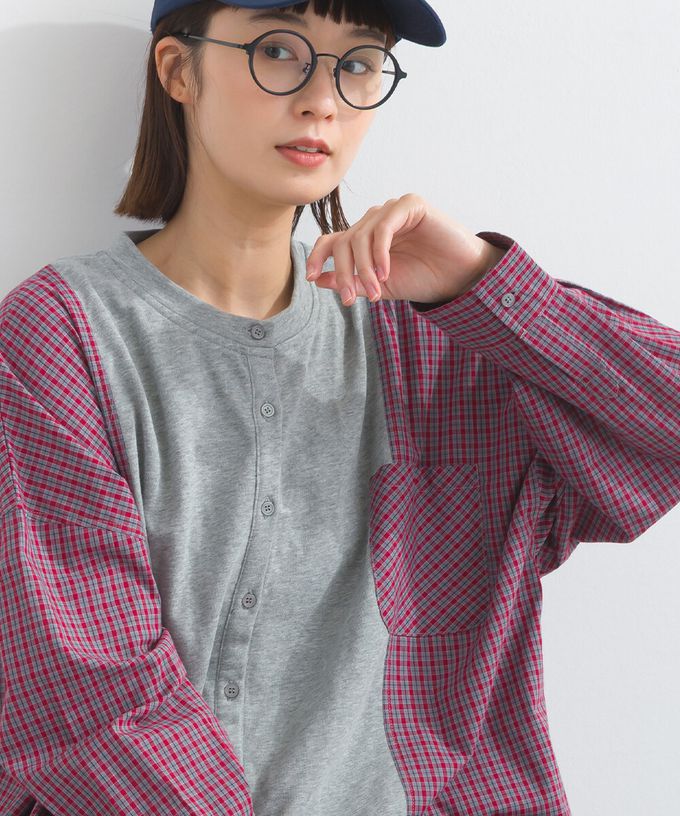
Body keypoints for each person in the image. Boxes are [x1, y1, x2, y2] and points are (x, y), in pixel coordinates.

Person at [0, 1, 678, 814]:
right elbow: (84, 693)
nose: (322, 99)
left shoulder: (442, 343)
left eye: (356, 63)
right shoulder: (65, 334)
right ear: (180, 71)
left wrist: (479, 283)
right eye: (278, 50)